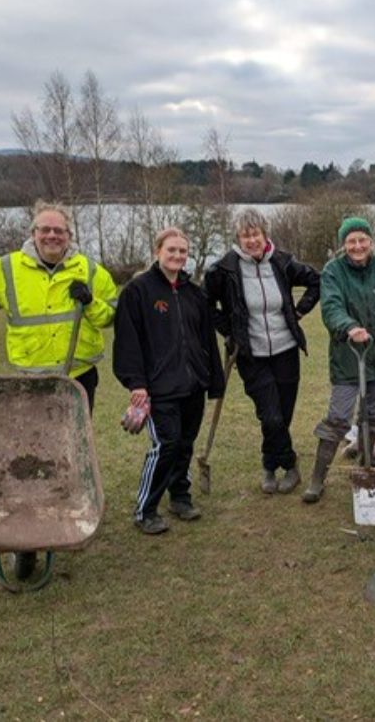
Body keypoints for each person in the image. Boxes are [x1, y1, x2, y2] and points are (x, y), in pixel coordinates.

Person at [0, 201, 118, 412]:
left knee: (74, 443)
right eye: (45, 229)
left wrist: (90, 303)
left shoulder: (91, 271)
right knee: (34, 441)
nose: (52, 235)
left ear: (69, 236)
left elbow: (110, 317)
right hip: (30, 379)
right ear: (33, 233)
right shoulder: (6, 269)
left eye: (59, 230)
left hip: (79, 378)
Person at [113, 227, 226, 535]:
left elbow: (206, 340)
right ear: (157, 252)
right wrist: (136, 383)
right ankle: (145, 509)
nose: (177, 256)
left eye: (182, 251)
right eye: (171, 250)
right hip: (158, 387)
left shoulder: (194, 293)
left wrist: (214, 380)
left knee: (185, 444)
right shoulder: (138, 292)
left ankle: (180, 496)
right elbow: (127, 341)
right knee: (166, 444)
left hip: (192, 385)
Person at [203, 209, 321, 495]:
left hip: (286, 351)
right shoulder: (224, 269)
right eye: (246, 235)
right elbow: (205, 306)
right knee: (270, 415)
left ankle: (270, 464)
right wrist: (230, 331)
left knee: (283, 413)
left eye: (256, 234)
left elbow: (316, 281)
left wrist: (299, 311)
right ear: (238, 238)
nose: (252, 240)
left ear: (264, 235)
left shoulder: (282, 262)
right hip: (249, 354)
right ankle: (288, 464)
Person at [302, 216, 375, 503]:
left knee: (373, 415)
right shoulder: (333, 272)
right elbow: (330, 307)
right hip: (348, 358)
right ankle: (318, 478)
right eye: (351, 241)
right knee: (339, 417)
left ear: (371, 242)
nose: (357, 246)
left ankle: (366, 464)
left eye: (362, 240)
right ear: (344, 244)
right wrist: (348, 327)